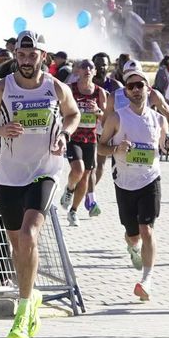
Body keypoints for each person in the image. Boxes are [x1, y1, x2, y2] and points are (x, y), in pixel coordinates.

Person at [0, 30, 79, 338]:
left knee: (28, 234)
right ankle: (30, 295)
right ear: (16, 56)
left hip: (45, 170)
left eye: (33, 56)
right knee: (18, 245)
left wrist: (65, 135)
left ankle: (22, 312)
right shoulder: (1, 88)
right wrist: (0, 130)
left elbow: (73, 114)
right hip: (9, 173)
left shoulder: (55, 87)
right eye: (21, 55)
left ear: (43, 57)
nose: (26, 61)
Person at [99, 63, 168, 302]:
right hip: (124, 182)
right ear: (126, 92)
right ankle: (132, 247)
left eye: (140, 85)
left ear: (148, 88)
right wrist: (117, 148)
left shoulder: (158, 120)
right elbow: (100, 146)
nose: (137, 90)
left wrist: (168, 145)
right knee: (132, 233)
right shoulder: (117, 117)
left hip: (150, 179)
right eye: (131, 86)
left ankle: (147, 280)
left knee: (147, 229)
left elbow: (165, 145)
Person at [64, 59, 108, 226]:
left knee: (85, 177)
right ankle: (69, 189)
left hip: (90, 138)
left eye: (91, 67)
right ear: (77, 71)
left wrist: (97, 111)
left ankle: (73, 211)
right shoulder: (70, 89)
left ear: (95, 72)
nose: (87, 70)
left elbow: (105, 118)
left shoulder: (99, 92)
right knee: (78, 170)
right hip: (73, 136)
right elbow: (61, 110)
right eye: (84, 67)